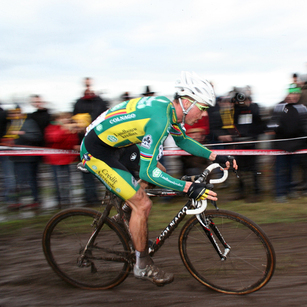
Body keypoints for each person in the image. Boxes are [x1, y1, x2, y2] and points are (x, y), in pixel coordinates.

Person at [80, 71, 237, 286]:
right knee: (143, 204)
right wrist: (188, 187)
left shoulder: (169, 110)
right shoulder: (159, 120)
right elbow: (147, 173)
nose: (203, 115)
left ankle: (126, 210)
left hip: (119, 144)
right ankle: (142, 265)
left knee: (159, 167)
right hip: (97, 151)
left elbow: (182, 141)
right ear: (188, 103)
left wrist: (215, 156)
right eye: (202, 108)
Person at [269, 84, 307, 202]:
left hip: (297, 144)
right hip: (281, 145)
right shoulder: (279, 107)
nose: (294, 96)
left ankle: (291, 190)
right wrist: (275, 127)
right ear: (287, 94)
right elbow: (272, 123)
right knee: (280, 170)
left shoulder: (302, 107)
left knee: (293, 169)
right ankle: (280, 193)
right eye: (292, 93)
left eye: (296, 94)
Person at [73, 78, 109, 206]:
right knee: (86, 171)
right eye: (86, 84)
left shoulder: (100, 102)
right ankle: (90, 198)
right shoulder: (78, 103)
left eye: (89, 84)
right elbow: (75, 122)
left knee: (106, 170)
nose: (88, 87)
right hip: (84, 141)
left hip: (100, 140)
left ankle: (112, 195)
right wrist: (78, 141)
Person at [43, 113, 81, 209]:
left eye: (68, 118)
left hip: (67, 158)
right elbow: (54, 139)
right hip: (55, 160)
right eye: (64, 118)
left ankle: (68, 199)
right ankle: (60, 200)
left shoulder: (70, 129)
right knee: (58, 181)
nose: (67, 120)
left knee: (67, 181)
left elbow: (71, 142)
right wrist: (64, 130)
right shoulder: (52, 128)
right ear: (58, 119)